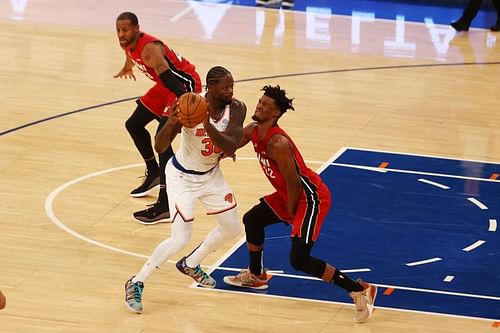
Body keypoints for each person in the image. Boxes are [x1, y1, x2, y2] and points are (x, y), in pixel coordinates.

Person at [223, 85, 377, 323]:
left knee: (299, 259)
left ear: (275, 114)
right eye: (260, 102)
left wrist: (292, 213)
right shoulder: (253, 130)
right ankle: (256, 275)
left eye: (265, 105)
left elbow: (294, 182)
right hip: (289, 193)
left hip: (310, 197)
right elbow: (229, 144)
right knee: (253, 219)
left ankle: (359, 289)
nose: (259, 105)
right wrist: (205, 130)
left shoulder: (277, 143)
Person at [124, 66, 247, 313]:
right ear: (210, 88)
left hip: (211, 177)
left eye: (232, 85)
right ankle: (136, 282)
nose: (231, 90)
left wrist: (206, 124)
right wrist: (171, 122)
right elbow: (160, 147)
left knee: (233, 227)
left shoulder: (237, 108)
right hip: (182, 177)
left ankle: (191, 263)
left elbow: (231, 146)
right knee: (180, 237)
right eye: (226, 87)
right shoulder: (188, 104)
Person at [114, 12, 202, 224]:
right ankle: (154, 172)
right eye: (118, 30)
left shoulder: (149, 49)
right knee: (133, 125)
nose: (121, 34)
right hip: (165, 86)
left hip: (182, 85)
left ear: (137, 28)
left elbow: (167, 74)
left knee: (162, 141)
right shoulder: (127, 43)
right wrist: (127, 66)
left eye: (125, 30)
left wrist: (186, 101)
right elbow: (130, 54)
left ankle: (165, 203)